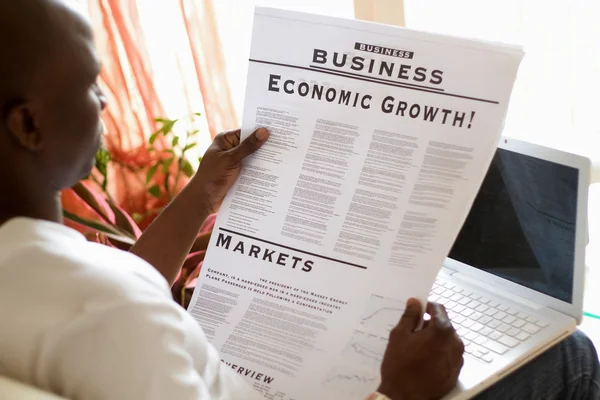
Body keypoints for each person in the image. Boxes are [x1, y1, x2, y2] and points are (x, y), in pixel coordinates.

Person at [0, 1, 597, 399]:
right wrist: (396, 392)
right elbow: (113, 304)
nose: (106, 100)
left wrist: (200, 193)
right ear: (28, 126)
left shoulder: (42, 273)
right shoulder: (112, 319)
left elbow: (117, 281)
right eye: (89, 82)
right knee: (570, 353)